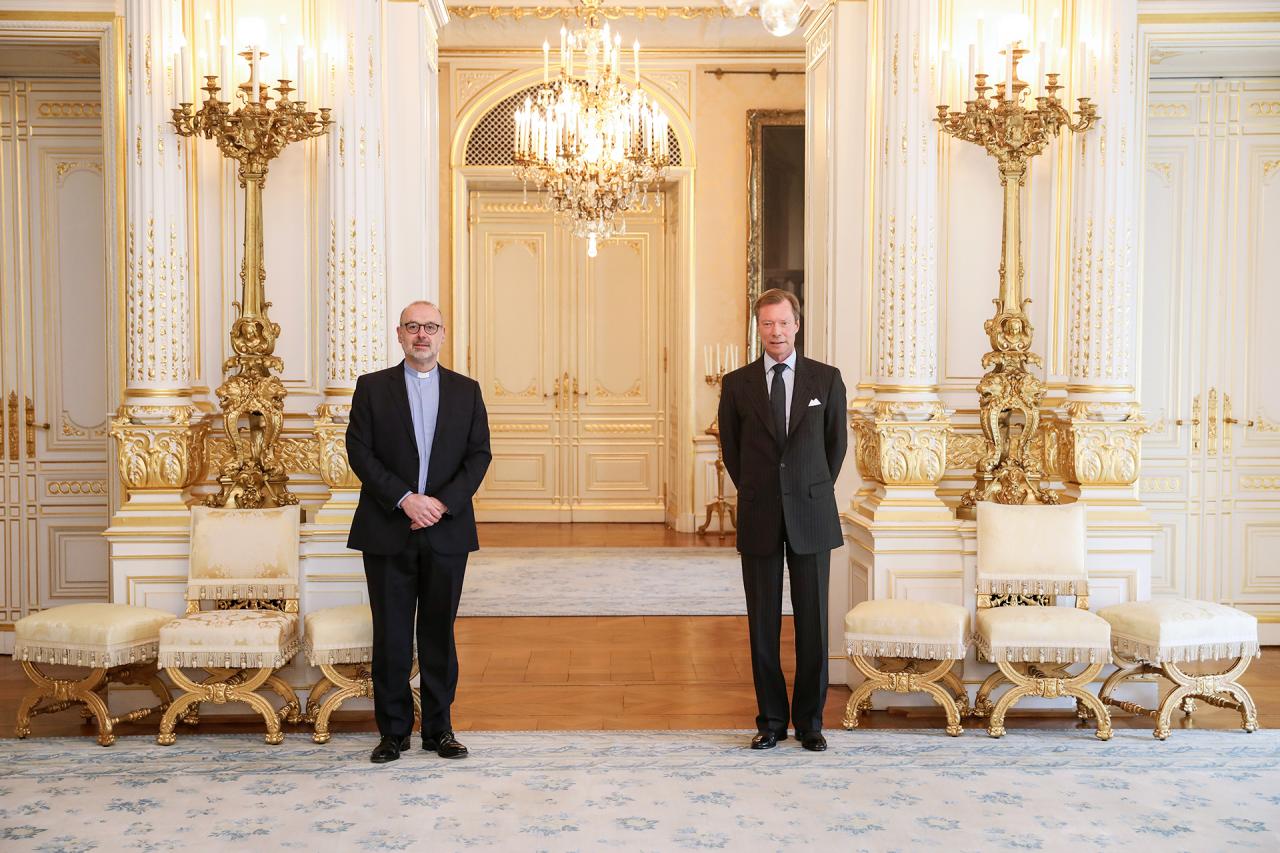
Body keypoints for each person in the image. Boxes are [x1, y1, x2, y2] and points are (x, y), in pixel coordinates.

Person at [346, 301, 492, 764]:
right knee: (390, 633)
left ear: (443, 335)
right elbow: (359, 451)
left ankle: (438, 729)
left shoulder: (467, 391)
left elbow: (479, 456)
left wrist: (440, 504)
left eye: (430, 327)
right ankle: (392, 732)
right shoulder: (371, 388)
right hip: (388, 527)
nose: (422, 335)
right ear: (399, 334)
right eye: (413, 327)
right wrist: (406, 498)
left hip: (446, 530)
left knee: (438, 632)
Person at [716, 288, 848, 752]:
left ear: (797, 325)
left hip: (812, 515)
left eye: (783, 323)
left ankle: (810, 722)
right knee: (762, 626)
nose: (776, 332)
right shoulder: (737, 384)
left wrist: (807, 490)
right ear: (759, 329)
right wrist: (761, 491)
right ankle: (771, 721)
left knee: (813, 625)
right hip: (760, 515)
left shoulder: (826, 380)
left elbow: (836, 449)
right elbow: (732, 451)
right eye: (767, 324)